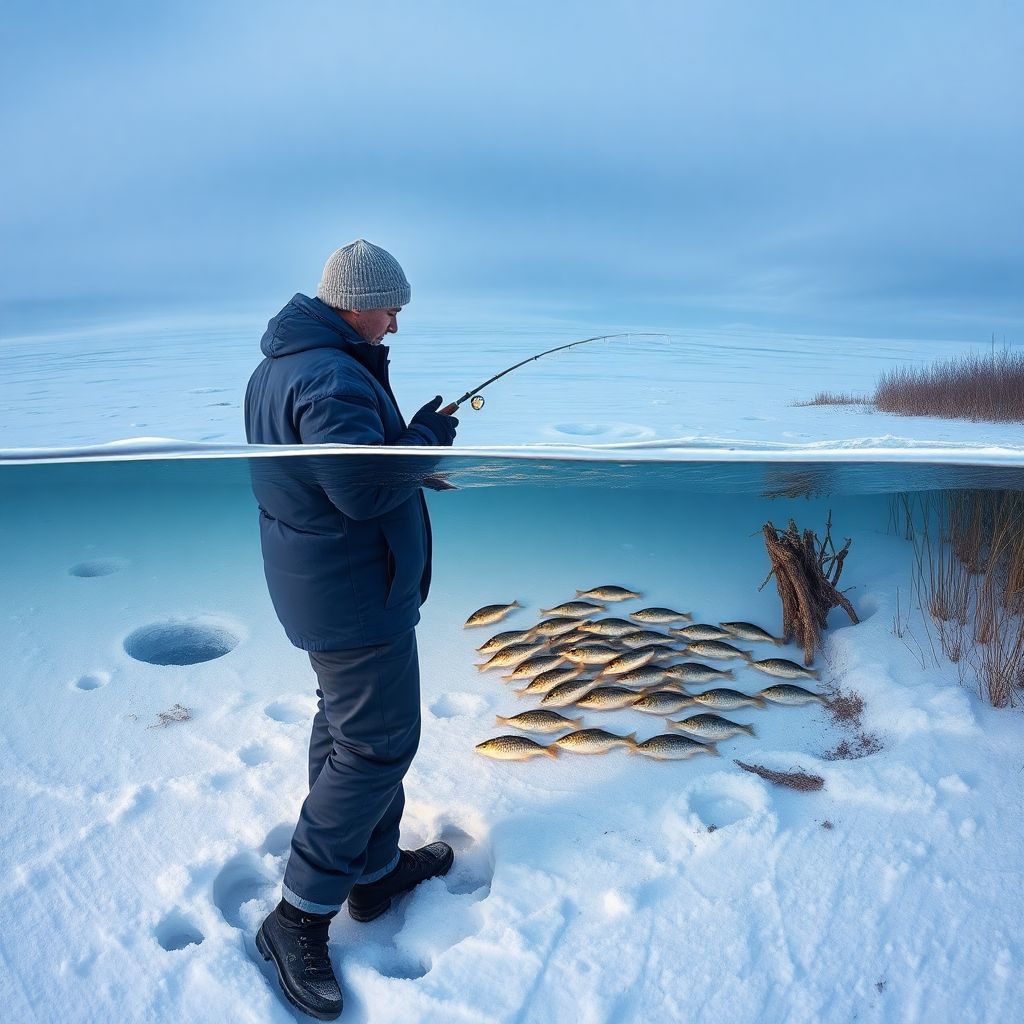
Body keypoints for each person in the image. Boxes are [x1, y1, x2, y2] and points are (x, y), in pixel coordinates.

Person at [243, 239, 459, 1020]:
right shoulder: (329, 371)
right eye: (390, 306)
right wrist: (428, 444)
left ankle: (370, 874)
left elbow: (354, 467)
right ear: (355, 300)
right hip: (353, 593)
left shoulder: (284, 364)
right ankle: (297, 917)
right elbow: (364, 492)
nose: (396, 322)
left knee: (346, 727)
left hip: (326, 587)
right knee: (377, 745)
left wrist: (409, 436)